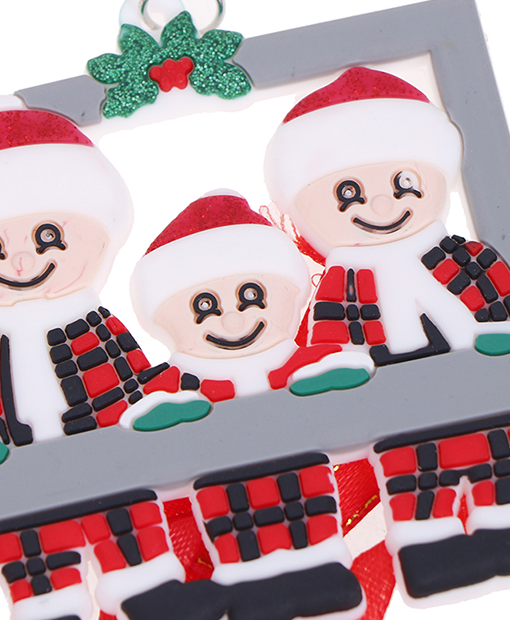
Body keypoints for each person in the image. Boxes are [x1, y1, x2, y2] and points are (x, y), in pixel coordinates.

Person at [263, 67, 510, 605]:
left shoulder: (463, 255)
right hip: (398, 406)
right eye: (348, 193)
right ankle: (429, 547)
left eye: (403, 183)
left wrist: (503, 336)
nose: (382, 206)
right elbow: (331, 338)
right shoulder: (343, 282)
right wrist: (336, 370)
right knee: (416, 473)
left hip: (485, 391)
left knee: (500, 452)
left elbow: (499, 294)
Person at [0, 97, 184, 620]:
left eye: (47, 237)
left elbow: (126, 372)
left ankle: (147, 585)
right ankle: (48, 604)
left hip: (105, 450)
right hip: (14, 469)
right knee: (31, 541)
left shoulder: (92, 319)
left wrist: (146, 406)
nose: (20, 260)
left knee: (125, 518)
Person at [125, 190, 368, 620]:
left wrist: (332, 375)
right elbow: (149, 405)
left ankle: (323, 569)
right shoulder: (185, 376)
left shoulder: (290, 357)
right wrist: (167, 412)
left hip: (300, 462)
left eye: (251, 296)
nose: (233, 319)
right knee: (234, 519)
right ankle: (247, 580)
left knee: (310, 505)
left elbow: (328, 366)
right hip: (221, 477)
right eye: (205, 307)